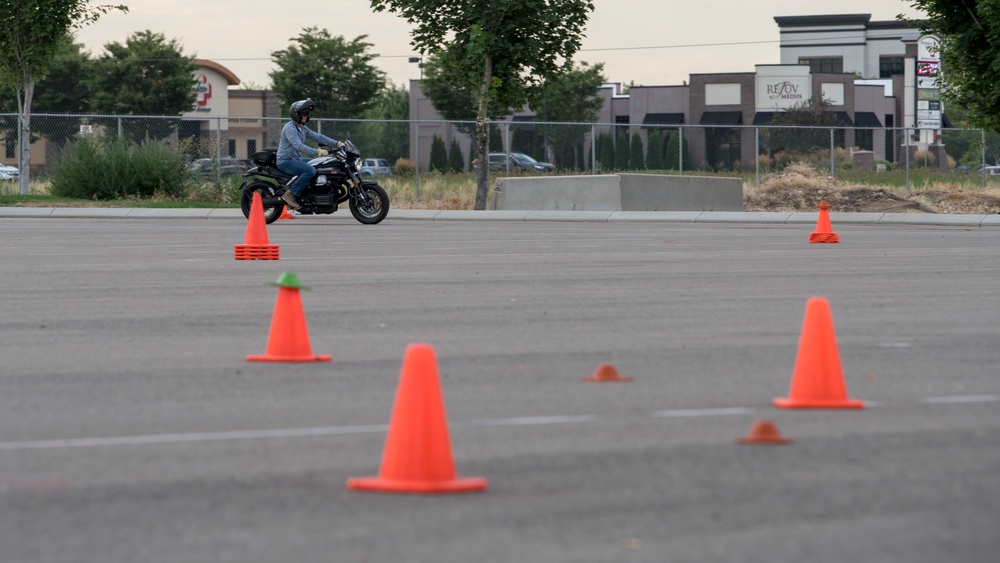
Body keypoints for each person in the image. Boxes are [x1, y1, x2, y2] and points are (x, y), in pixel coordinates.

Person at [276, 99, 342, 209]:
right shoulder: (290, 128)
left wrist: (338, 143)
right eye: (305, 113)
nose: (307, 116)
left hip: (296, 159)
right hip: (285, 161)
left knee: (319, 164)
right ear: (297, 114)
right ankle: (290, 194)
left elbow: (319, 137)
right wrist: (318, 151)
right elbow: (299, 146)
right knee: (310, 170)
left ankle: (309, 193)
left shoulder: (302, 128)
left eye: (308, 114)